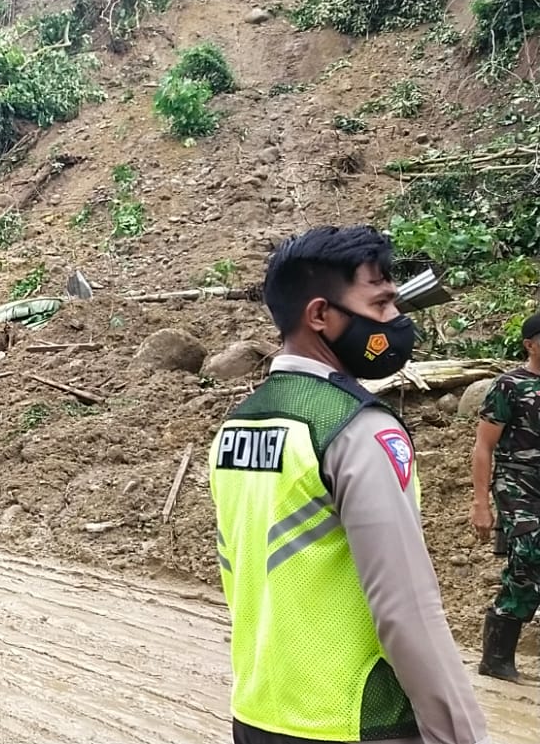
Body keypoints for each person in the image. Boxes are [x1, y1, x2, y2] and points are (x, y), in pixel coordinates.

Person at [208, 226, 488, 744]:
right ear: (320, 315)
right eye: (381, 304)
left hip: (259, 711)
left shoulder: (237, 427)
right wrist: (460, 734)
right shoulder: (358, 430)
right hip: (357, 720)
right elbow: (406, 610)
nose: (395, 322)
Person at [470, 311, 540, 683]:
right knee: (532, 551)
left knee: (528, 570)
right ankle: (496, 657)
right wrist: (481, 503)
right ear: (530, 344)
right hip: (518, 485)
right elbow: (484, 446)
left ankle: (499, 656)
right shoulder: (509, 386)